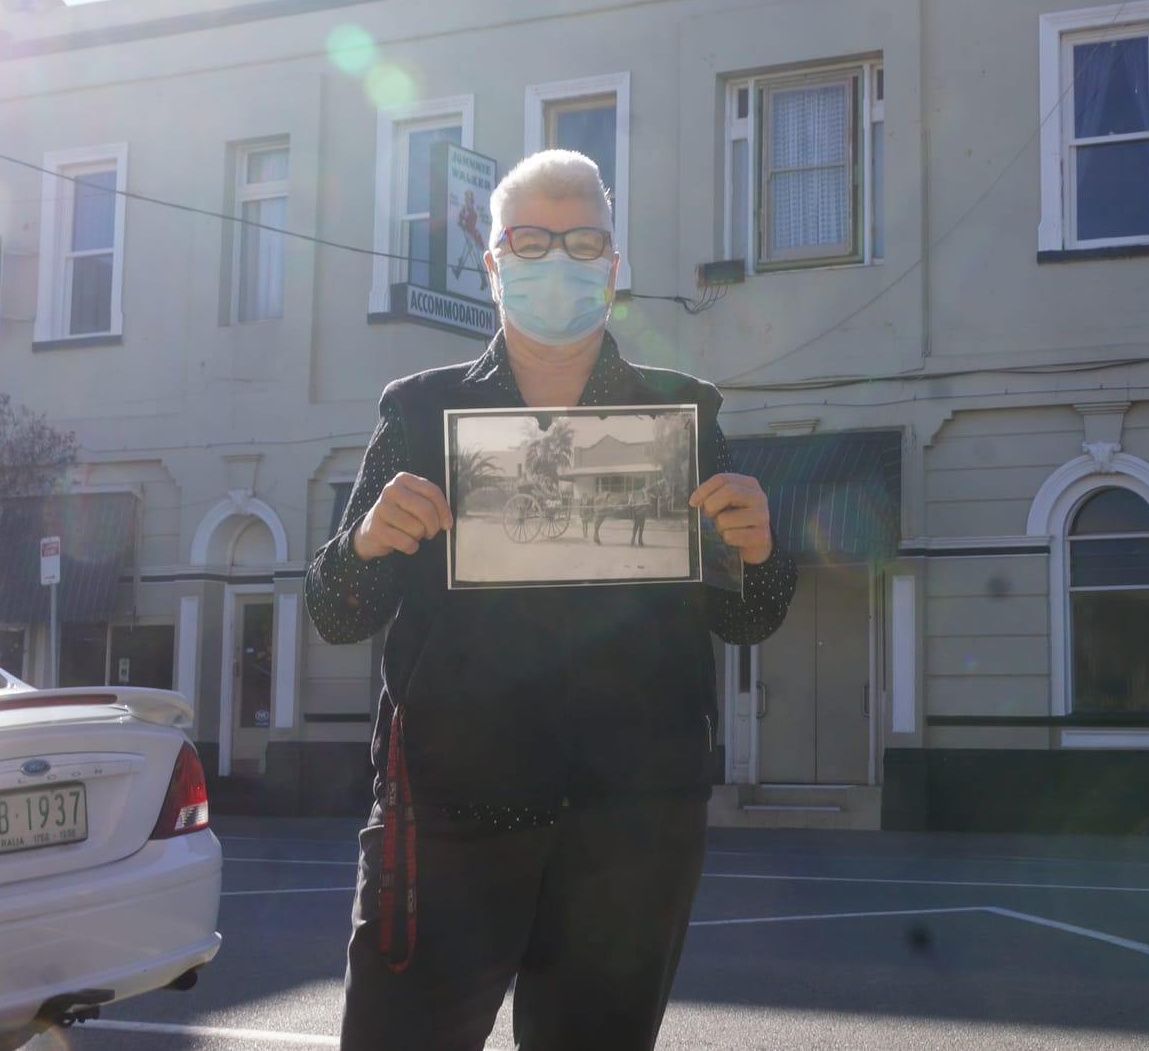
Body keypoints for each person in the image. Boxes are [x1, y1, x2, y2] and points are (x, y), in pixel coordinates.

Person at [306, 149, 797, 1051]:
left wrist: (760, 550)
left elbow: (746, 615)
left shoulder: (683, 416)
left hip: (631, 831)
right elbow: (336, 611)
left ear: (613, 266)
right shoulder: (419, 413)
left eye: (582, 242)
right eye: (530, 243)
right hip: (446, 823)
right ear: (493, 265)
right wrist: (367, 540)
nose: (557, 262)